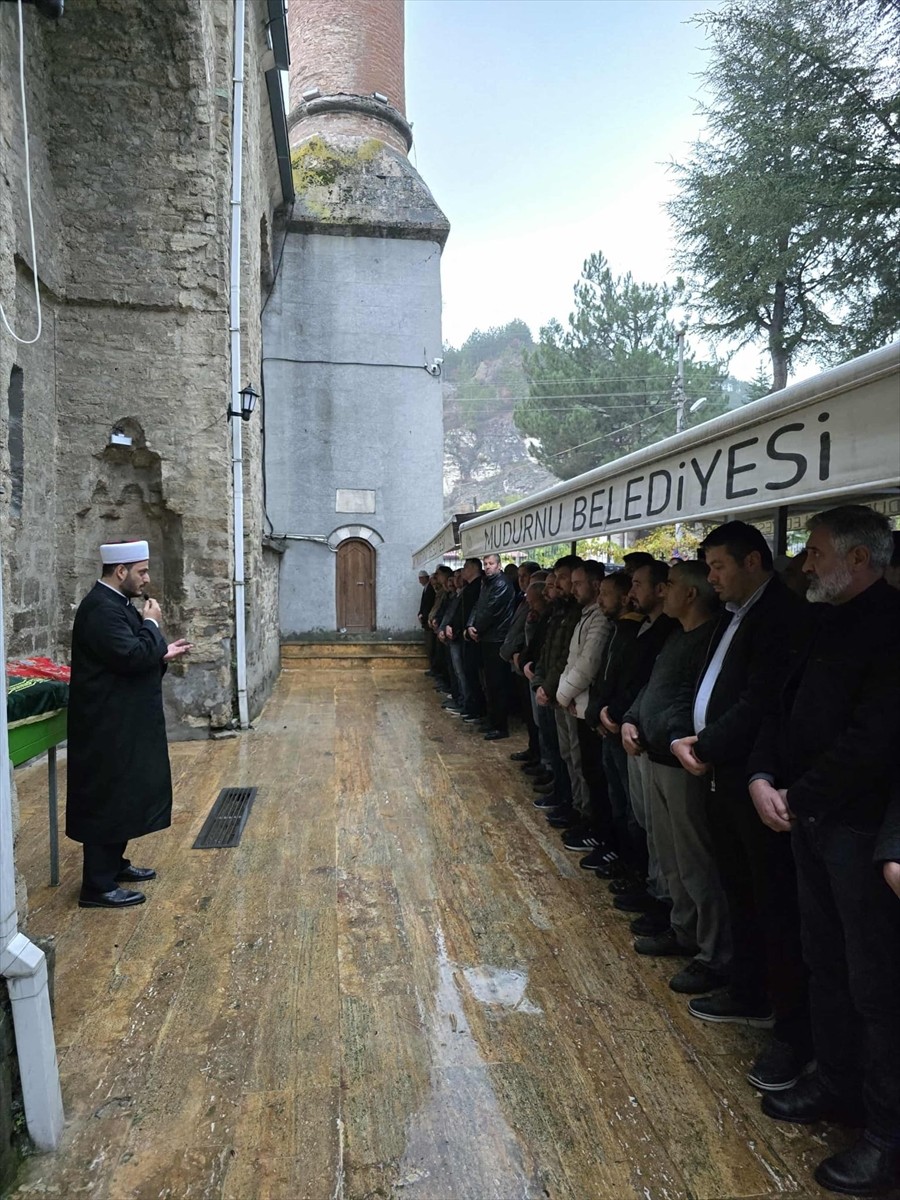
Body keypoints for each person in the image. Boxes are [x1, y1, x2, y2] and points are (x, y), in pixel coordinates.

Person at [748, 506, 900, 1197]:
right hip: (812, 819)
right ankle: (834, 1086)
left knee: (875, 987)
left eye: (816, 552)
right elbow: (788, 708)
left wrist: (799, 795)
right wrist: (764, 777)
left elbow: (874, 740)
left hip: (859, 831)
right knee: (826, 962)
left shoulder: (892, 626)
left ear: (860, 560)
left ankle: (885, 1137)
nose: (805, 564)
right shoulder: (825, 618)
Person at [670, 520, 812, 1094]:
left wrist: (705, 744)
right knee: (740, 889)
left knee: (771, 900)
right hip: (721, 773)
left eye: (720, 566)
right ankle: (750, 990)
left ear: (754, 562)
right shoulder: (737, 614)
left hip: (752, 778)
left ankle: (786, 1023)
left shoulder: (779, 615)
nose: (712, 578)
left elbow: (760, 702)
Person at [621, 560, 730, 994]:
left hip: (680, 763)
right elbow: (653, 688)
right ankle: (683, 929)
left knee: (695, 861)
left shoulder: (709, 639)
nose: (662, 592)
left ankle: (713, 952)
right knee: (668, 854)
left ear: (690, 595)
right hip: (653, 754)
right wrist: (631, 717)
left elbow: (689, 702)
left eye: (671, 586)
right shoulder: (676, 635)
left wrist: (666, 736)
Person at [66, 540, 191, 909]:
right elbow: (132, 655)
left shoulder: (115, 605)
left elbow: (134, 655)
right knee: (108, 797)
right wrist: (153, 626)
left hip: (121, 720)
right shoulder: (101, 610)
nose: (146, 579)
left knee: (123, 794)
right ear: (120, 572)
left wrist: (160, 651)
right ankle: (97, 886)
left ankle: (114, 866)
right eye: (142, 571)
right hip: (107, 724)